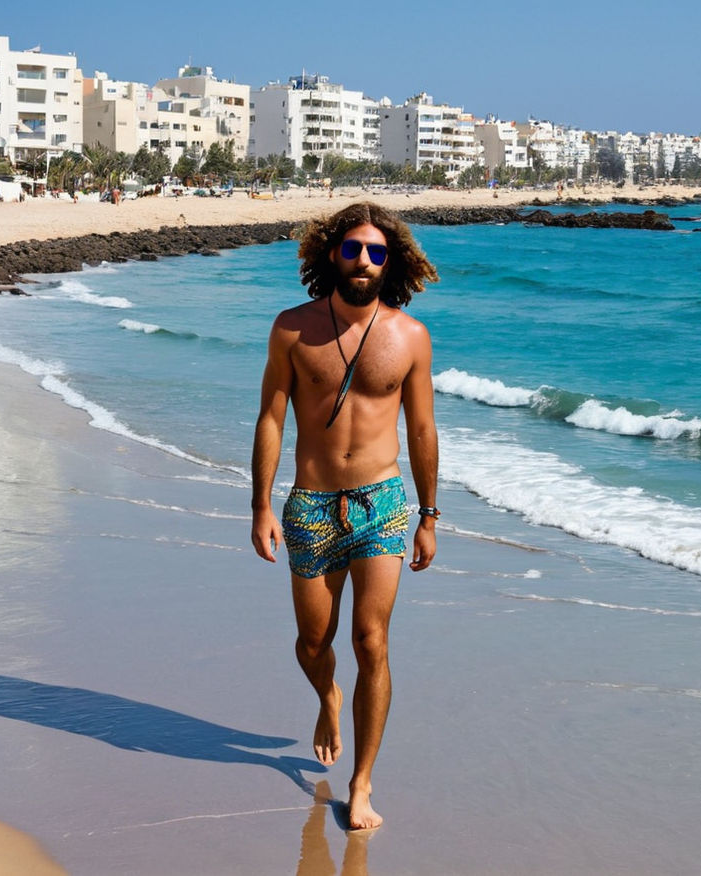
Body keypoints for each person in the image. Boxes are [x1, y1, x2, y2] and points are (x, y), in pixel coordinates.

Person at [250, 202, 440, 830]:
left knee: (372, 641)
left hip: (383, 504)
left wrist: (429, 516)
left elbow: (421, 429)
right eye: (355, 248)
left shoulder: (409, 337)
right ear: (331, 252)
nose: (365, 260)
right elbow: (272, 418)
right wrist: (260, 505)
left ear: (394, 263)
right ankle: (328, 697)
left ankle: (361, 784)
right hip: (309, 505)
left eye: (378, 252)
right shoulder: (292, 329)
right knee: (313, 643)